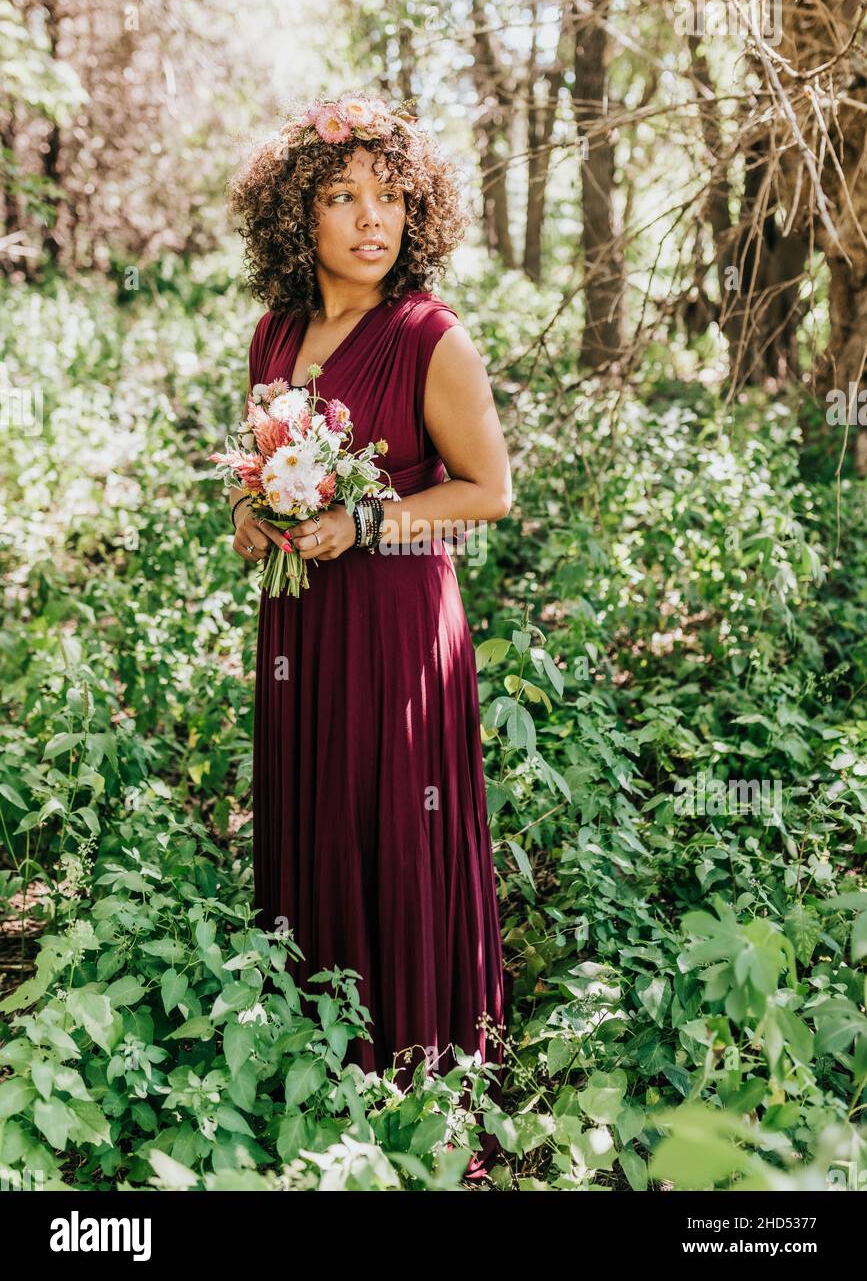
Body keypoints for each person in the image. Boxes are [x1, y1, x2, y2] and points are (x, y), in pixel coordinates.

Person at [226, 93, 513, 1183]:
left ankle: (417, 1063)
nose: (367, 218)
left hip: (396, 618)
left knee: (393, 812)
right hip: (302, 614)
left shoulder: (431, 337)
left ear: (415, 211)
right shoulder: (275, 334)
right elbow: (258, 460)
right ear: (295, 218)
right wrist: (253, 515)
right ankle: (313, 1043)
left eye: (388, 197)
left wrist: (372, 521)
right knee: (316, 802)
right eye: (340, 197)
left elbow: (490, 491)